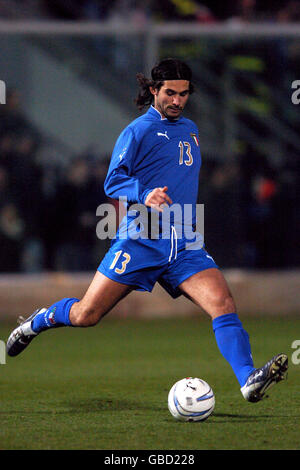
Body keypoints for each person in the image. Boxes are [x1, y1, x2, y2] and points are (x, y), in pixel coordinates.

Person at [6, 58, 288, 403]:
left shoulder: (191, 129)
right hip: (141, 238)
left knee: (223, 303)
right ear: (154, 90)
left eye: (184, 94)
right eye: (170, 92)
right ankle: (38, 321)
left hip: (184, 241)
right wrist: (144, 193)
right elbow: (113, 180)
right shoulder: (138, 130)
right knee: (86, 315)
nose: (177, 100)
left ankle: (248, 380)